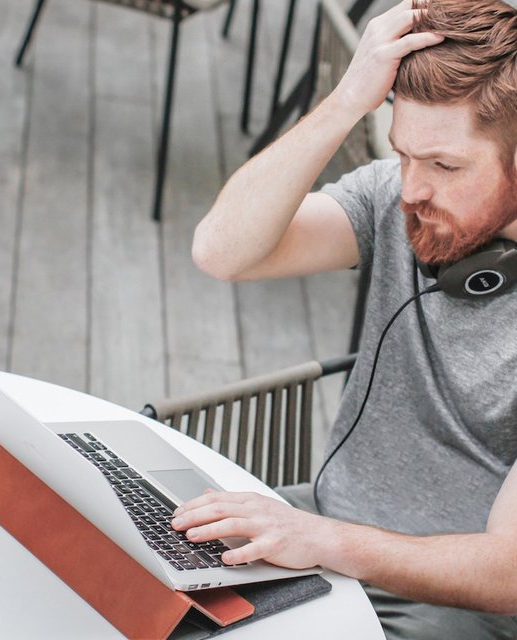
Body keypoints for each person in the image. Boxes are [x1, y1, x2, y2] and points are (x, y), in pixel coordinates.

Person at [170, 1, 517, 638]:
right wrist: (346, 100)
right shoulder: (397, 195)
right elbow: (221, 251)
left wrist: (323, 541)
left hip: (450, 609)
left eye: (444, 166)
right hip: (319, 532)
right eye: (404, 153)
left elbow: (508, 573)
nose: (412, 189)